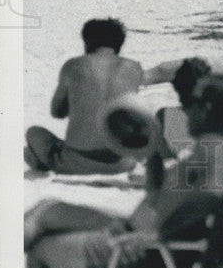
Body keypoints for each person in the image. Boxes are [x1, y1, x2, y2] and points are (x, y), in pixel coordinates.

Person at [23, 73, 223, 268]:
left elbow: (210, 195)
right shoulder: (220, 148)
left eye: (190, 102)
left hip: (149, 256)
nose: (185, 108)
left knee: (40, 250)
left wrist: (157, 234)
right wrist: (151, 153)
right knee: (50, 212)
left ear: (206, 108)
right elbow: (157, 197)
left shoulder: (215, 151)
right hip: (149, 248)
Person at [25, 19, 144, 175]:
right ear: (119, 44)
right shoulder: (134, 68)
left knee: (34, 132)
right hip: (123, 162)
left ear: (87, 41)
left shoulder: (73, 65)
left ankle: (44, 164)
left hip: (76, 162)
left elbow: (57, 112)